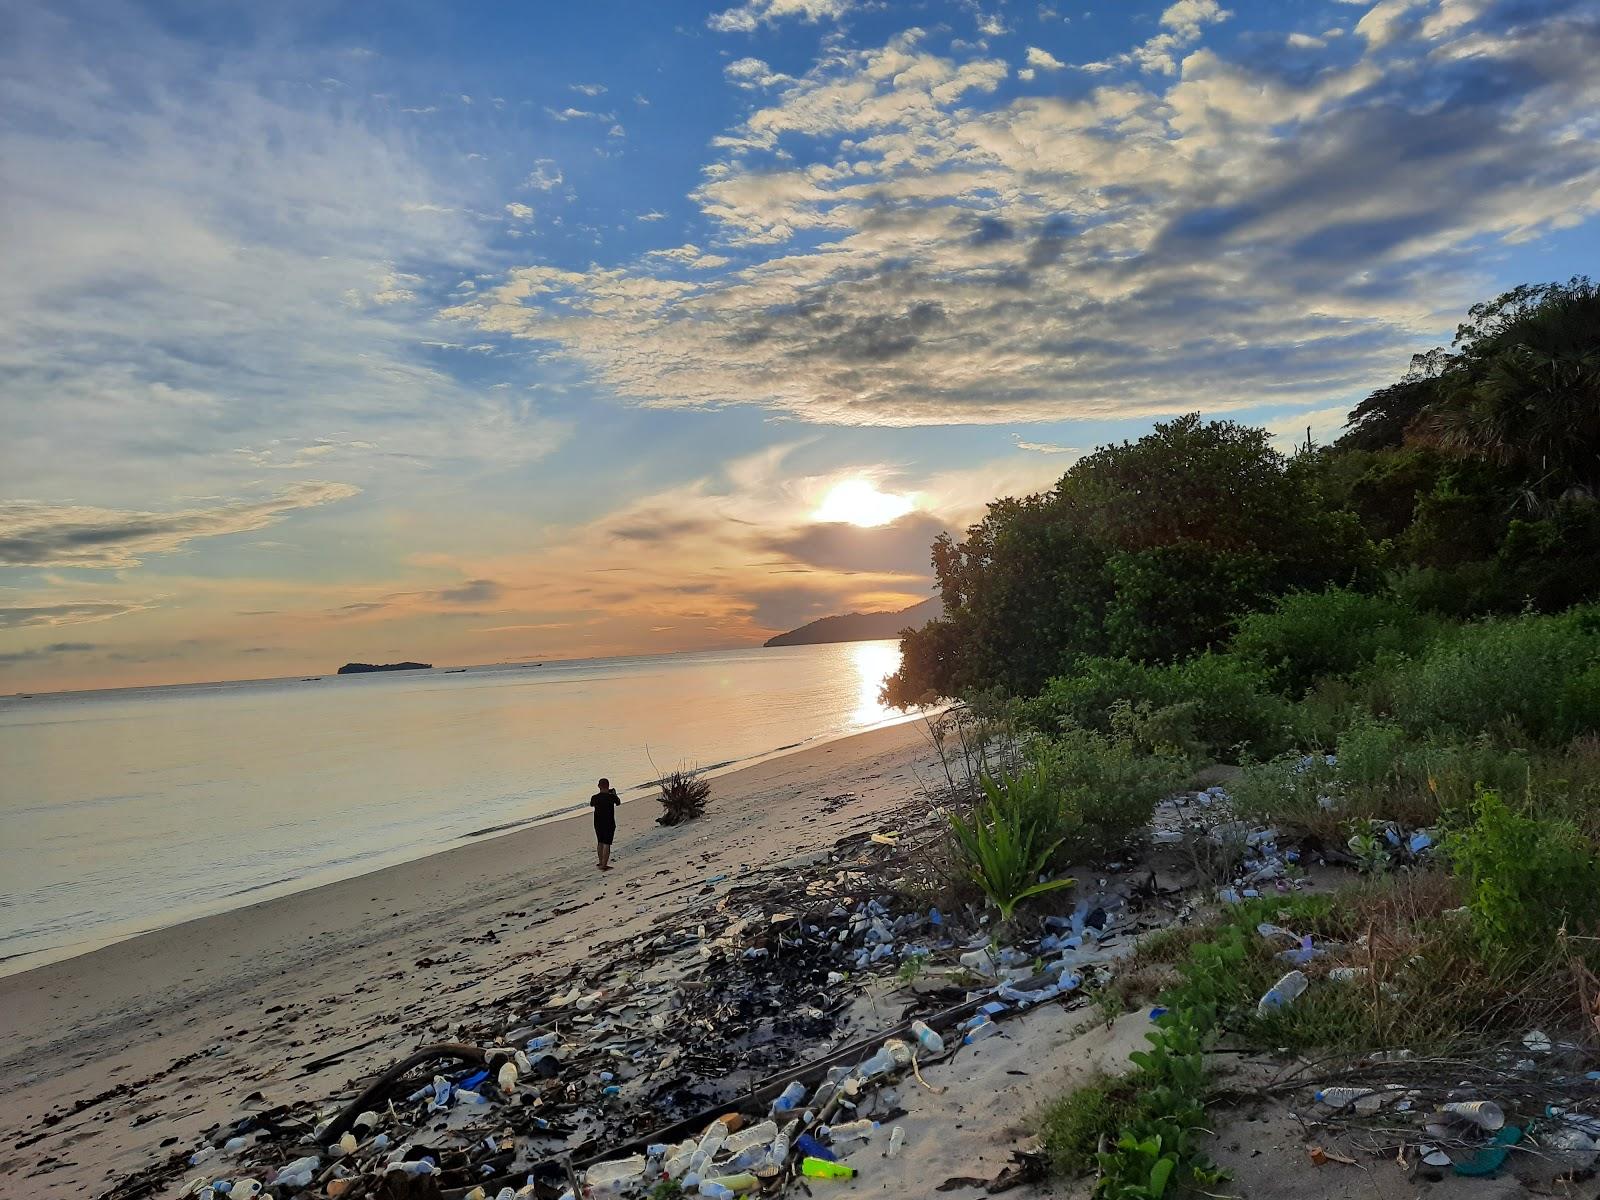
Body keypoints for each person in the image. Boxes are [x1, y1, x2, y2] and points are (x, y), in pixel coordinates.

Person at [590, 777, 621, 871]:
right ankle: (604, 865)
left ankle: (600, 862)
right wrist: (613, 794)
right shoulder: (611, 797)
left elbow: (591, 804)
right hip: (609, 822)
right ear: (608, 786)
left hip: (598, 822)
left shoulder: (595, 797)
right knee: (607, 843)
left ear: (599, 786)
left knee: (600, 842)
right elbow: (618, 803)